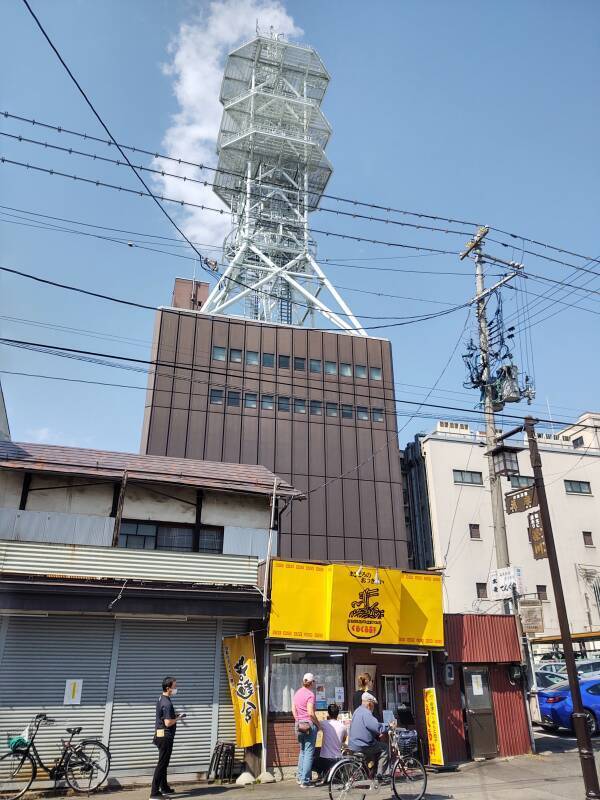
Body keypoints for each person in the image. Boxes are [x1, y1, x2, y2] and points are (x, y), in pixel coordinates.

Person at [150, 676, 185, 800]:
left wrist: (174, 715)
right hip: (165, 737)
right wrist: (178, 718)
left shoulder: (161, 699)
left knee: (163, 763)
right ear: (168, 688)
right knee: (162, 764)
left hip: (160, 735)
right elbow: (168, 723)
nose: (176, 689)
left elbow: (163, 716)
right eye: (174, 687)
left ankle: (164, 787)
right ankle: (154, 793)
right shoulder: (167, 703)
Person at [348, 692, 392, 779]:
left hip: (353, 744)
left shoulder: (357, 711)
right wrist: (388, 726)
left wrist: (378, 731)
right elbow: (376, 726)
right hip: (363, 745)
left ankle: (370, 773)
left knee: (375, 746)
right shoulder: (366, 713)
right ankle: (380, 774)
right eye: (373, 705)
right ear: (369, 704)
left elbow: (367, 726)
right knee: (385, 748)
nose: (373, 707)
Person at [292, 672, 320, 787]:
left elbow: (293, 709)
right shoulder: (310, 694)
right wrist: (319, 724)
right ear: (311, 682)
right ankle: (305, 781)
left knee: (302, 751)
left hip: (298, 725)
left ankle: (300, 777)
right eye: (313, 682)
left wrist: (298, 720)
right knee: (309, 752)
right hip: (308, 725)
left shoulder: (297, 693)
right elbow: (310, 712)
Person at [313, 703, 347, 784]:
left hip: (325, 760)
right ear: (338, 714)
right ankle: (331, 775)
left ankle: (321, 775)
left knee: (312, 756)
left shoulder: (324, 723)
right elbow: (343, 740)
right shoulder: (343, 726)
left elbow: (316, 724)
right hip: (338, 760)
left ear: (328, 713)